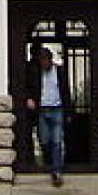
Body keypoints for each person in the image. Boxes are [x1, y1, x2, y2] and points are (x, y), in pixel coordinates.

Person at [24, 45, 69, 186]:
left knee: (57, 141)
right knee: (44, 140)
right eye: (41, 61)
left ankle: (56, 171)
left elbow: (66, 91)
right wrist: (29, 98)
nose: (44, 64)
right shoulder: (36, 72)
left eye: (46, 61)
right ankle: (51, 163)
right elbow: (28, 87)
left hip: (57, 109)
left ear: (51, 60)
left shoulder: (60, 72)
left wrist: (68, 111)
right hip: (42, 110)